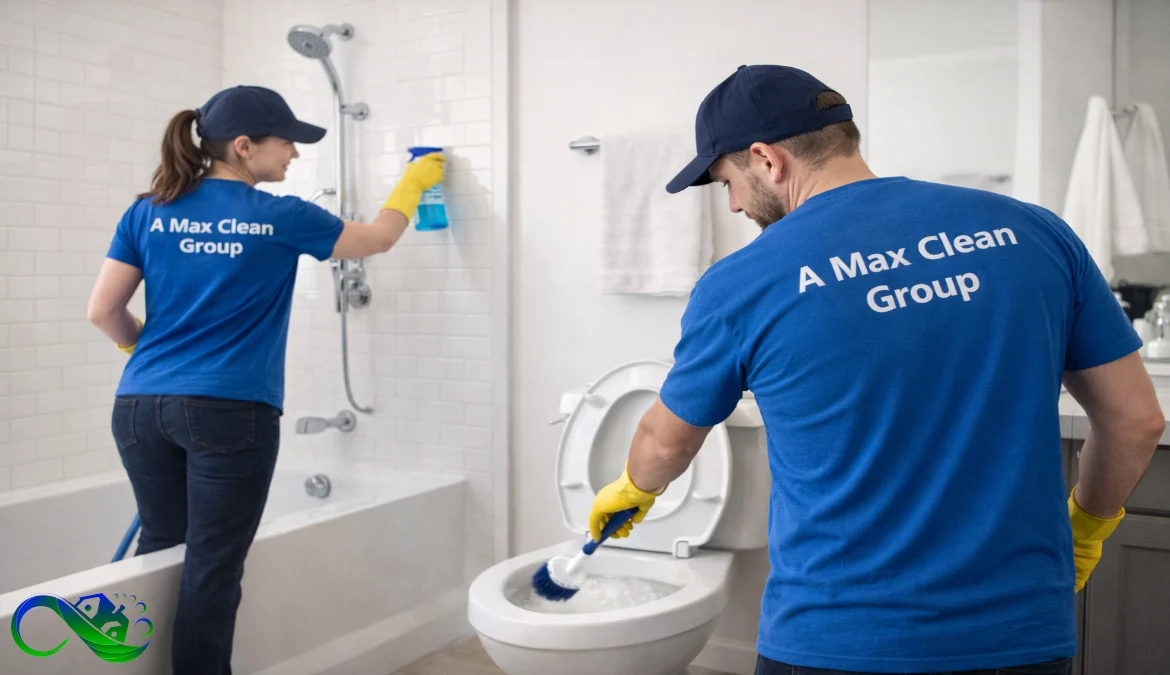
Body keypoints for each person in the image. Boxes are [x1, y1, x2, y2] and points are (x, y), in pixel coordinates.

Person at [587, 65, 1164, 675]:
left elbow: (665, 440)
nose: (730, 203)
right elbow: (1135, 421)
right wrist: (1086, 529)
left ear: (765, 159)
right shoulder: (1037, 232)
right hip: (1022, 631)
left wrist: (631, 490)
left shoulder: (741, 284)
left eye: (726, 180)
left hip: (835, 638)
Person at [86, 85, 444, 675]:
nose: (295, 156)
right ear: (246, 147)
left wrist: (141, 349)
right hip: (228, 410)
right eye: (288, 144)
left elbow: (102, 311)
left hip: (139, 406)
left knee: (160, 549)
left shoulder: (148, 209)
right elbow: (377, 240)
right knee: (211, 566)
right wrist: (412, 183)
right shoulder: (281, 216)